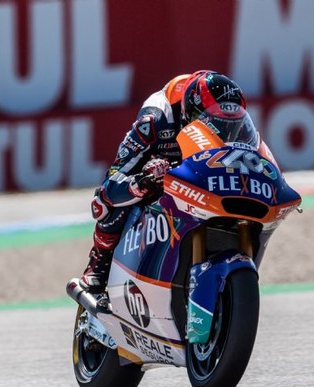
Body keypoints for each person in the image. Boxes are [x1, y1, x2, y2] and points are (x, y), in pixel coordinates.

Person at [79, 70, 247, 295]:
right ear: (190, 113)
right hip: (156, 167)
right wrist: (141, 182)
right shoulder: (154, 119)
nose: (224, 131)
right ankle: (99, 263)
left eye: (230, 124)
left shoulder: (236, 125)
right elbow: (112, 180)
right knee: (106, 201)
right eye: (214, 123)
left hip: (202, 168)